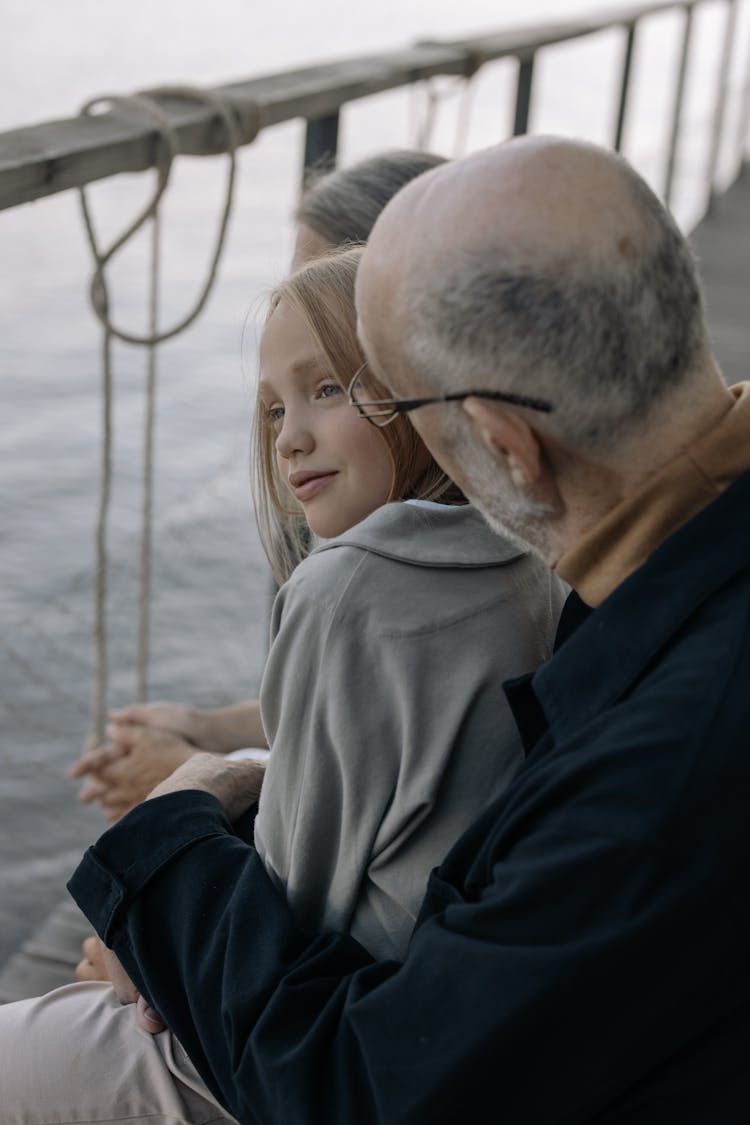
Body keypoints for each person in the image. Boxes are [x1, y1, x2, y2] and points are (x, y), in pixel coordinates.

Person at [5, 132, 749, 1123]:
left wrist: (170, 846)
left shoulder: (668, 770)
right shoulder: (666, 601)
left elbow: (368, 1091)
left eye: (397, 404)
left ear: (502, 446)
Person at [0, 242, 564, 1122]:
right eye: (272, 409)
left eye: (328, 388)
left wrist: (147, 942)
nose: (290, 434)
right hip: (434, 1006)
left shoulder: (345, 588)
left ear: (417, 383)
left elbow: (292, 894)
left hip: (319, 1044)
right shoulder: (525, 553)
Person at [68, 148, 449, 824]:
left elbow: (344, 812)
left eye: (324, 287)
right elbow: (355, 711)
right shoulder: (472, 530)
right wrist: (208, 728)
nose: (291, 311)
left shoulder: (356, 589)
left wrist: (196, 776)